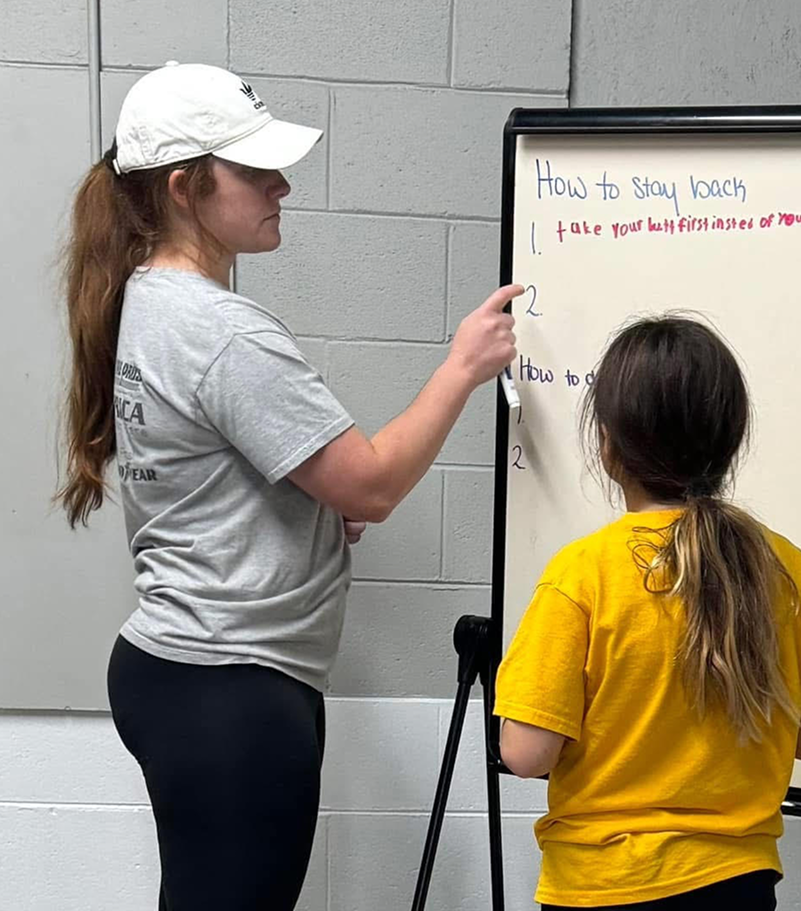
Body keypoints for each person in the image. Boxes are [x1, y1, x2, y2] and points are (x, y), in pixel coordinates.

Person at [54, 61, 521, 911]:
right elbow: (371, 487)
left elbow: (211, 473)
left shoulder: (149, 301)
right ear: (186, 188)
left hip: (186, 672)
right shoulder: (222, 331)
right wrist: (463, 366)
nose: (282, 185)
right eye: (255, 169)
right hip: (228, 686)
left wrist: (307, 506)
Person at [494, 315, 801, 910]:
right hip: (738, 886)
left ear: (608, 445)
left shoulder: (582, 574)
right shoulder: (788, 571)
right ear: (730, 441)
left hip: (603, 889)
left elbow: (525, 754)